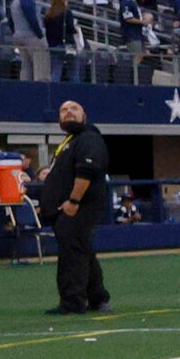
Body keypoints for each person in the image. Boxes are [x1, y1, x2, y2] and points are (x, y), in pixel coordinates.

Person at [37, 98, 110, 315]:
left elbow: (86, 171)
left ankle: (72, 303)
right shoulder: (71, 141)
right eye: (63, 110)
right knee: (82, 251)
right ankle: (98, 298)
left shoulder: (88, 138)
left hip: (78, 207)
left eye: (74, 109)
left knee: (72, 256)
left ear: (84, 115)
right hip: (67, 208)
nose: (68, 112)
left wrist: (73, 201)